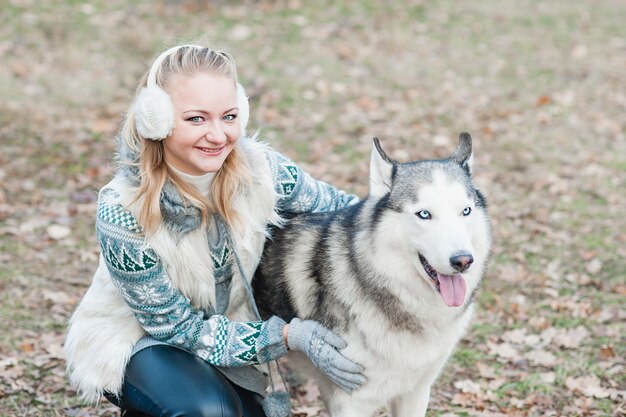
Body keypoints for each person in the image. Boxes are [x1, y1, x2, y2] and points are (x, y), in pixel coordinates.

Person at [64, 44, 366, 417]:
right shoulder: (123, 210)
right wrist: (285, 336)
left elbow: (348, 212)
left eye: (229, 116)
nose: (218, 135)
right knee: (207, 412)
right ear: (155, 119)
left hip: (232, 335)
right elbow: (176, 329)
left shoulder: (262, 172)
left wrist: (427, 228)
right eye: (196, 119)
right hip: (141, 339)